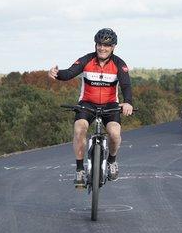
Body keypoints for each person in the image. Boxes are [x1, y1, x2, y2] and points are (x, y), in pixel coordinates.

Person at [48, 28, 133, 188]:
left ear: (113, 47)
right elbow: (69, 73)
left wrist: (127, 101)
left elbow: (126, 85)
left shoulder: (119, 64)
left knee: (114, 134)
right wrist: (56, 73)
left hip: (110, 105)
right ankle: (80, 169)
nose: (102, 48)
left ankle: (112, 161)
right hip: (87, 103)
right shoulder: (86, 60)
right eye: (99, 44)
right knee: (80, 129)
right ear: (95, 45)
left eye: (106, 45)